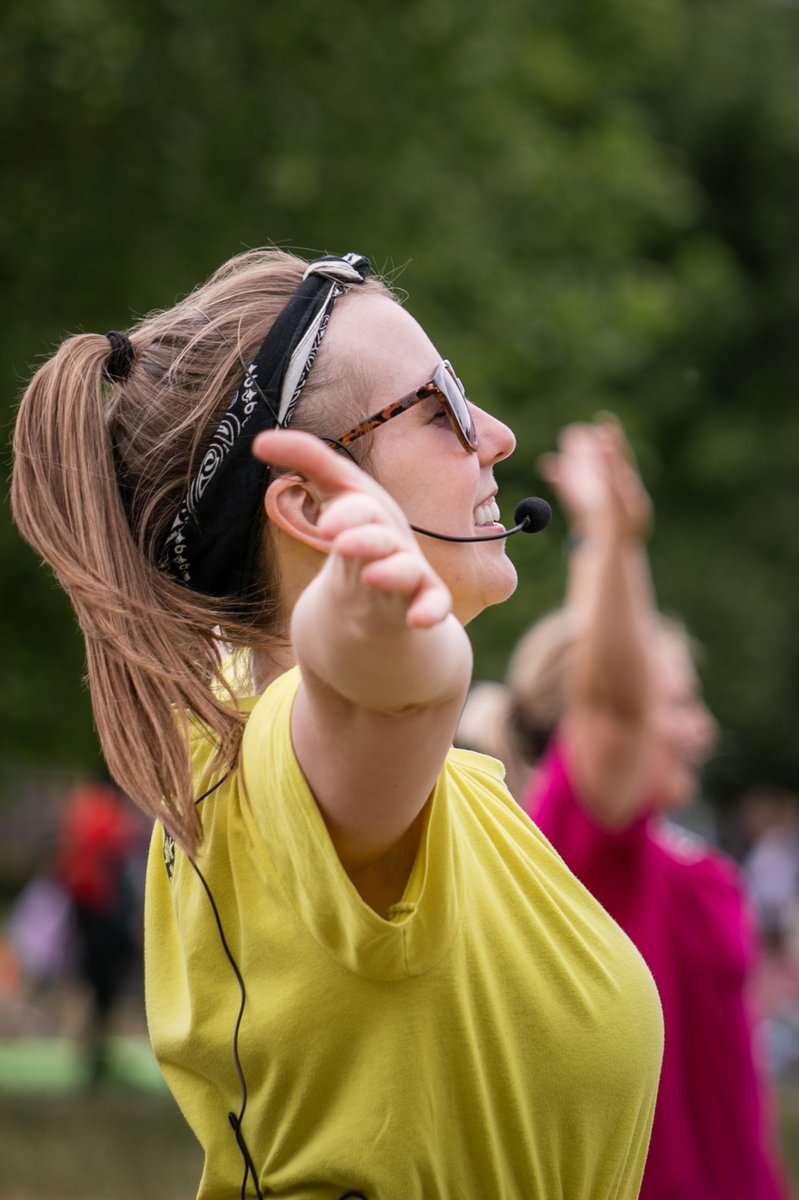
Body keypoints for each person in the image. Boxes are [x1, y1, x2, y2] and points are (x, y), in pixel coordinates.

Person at [11, 249, 662, 1199]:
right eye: (439, 403)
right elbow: (376, 700)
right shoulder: (257, 758)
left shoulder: (445, 790)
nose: (497, 433)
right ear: (308, 507)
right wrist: (381, 640)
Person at [505, 419, 790, 1200]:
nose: (702, 728)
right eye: (679, 704)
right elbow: (614, 707)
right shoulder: (582, 842)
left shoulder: (686, 864)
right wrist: (607, 538)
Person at [56, 778, 146, 1083]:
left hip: (91, 911)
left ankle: (95, 1053)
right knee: (100, 984)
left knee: (97, 984)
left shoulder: (83, 807)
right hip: (100, 913)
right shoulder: (103, 811)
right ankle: (93, 1054)